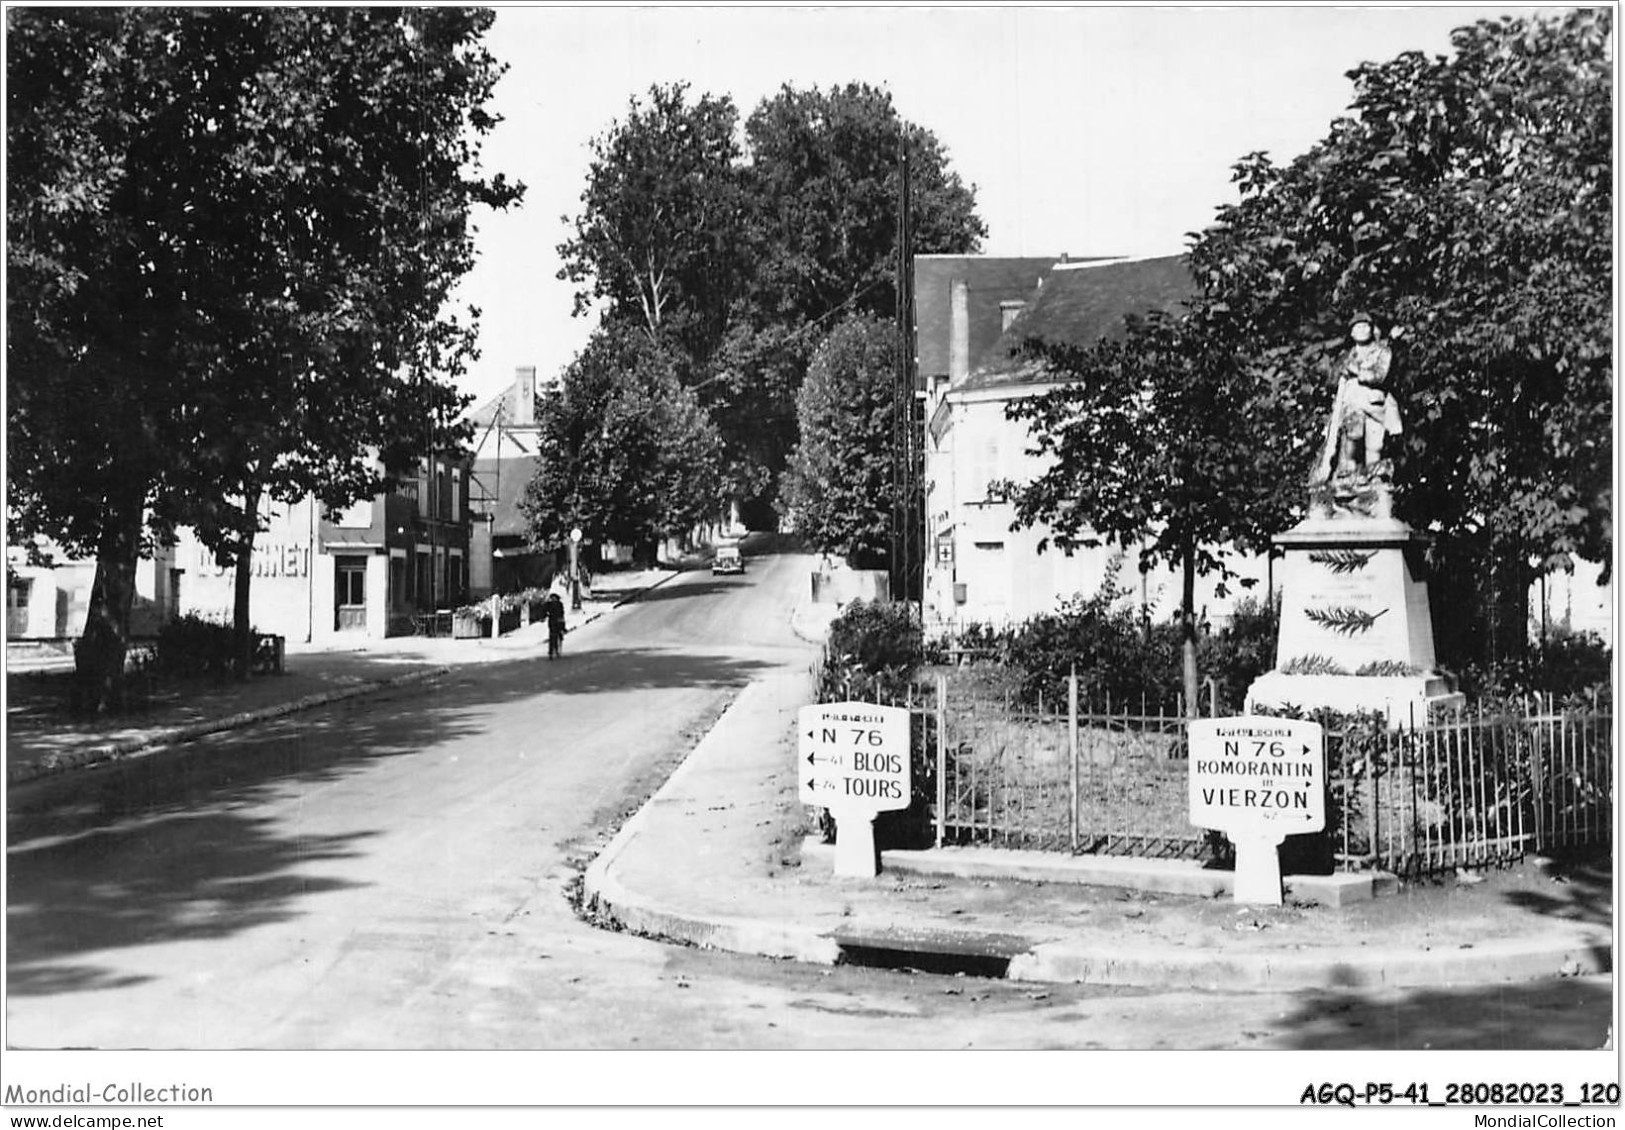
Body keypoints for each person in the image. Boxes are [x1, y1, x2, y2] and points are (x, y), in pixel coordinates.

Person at [1312, 313, 1404, 484]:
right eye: (1357, 327)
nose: (1362, 330)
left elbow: (1380, 375)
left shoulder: (1382, 351)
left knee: (1374, 445)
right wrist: (1336, 371)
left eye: (1365, 326)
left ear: (1371, 329)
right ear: (1352, 333)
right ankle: (1347, 477)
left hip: (1375, 404)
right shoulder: (1345, 356)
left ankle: (1374, 479)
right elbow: (1332, 382)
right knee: (1352, 439)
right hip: (1350, 403)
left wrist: (1356, 371)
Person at [543, 590, 566, 659]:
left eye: (554, 598)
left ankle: (556, 650)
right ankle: (551, 651)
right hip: (552, 622)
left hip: (558, 621)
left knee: (557, 635)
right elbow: (544, 610)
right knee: (552, 636)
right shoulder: (549, 604)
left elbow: (562, 613)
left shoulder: (559, 604)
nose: (553, 599)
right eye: (552, 598)